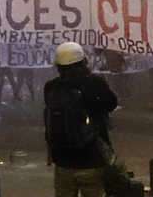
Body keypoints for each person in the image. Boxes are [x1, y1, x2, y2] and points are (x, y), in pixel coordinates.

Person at [44, 42, 118, 197]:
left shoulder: (51, 87)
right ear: (83, 62)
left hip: (63, 160)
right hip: (92, 158)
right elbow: (111, 104)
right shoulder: (95, 83)